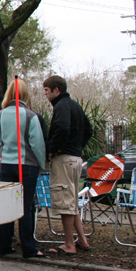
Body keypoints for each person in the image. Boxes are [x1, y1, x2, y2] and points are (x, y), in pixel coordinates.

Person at [0, 79, 48, 258]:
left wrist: (6, 155)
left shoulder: (1, 115)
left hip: (6, 165)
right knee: (26, 207)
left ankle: (4, 246)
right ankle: (29, 248)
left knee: (7, 205)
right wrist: (41, 164)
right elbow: (37, 144)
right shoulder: (30, 115)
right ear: (25, 94)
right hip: (27, 165)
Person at [43, 75, 93, 255]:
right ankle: (82, 240)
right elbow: (89, 130)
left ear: (56, 90)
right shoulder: (74, 105)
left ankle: (69, 244)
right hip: (75, 159)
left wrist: (53, 149)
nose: (45, 94)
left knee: (65, 203)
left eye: (46, 90)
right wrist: (77, 147)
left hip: (64, 159)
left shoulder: (62, 106)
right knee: (71, 202)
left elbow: (63, 128)